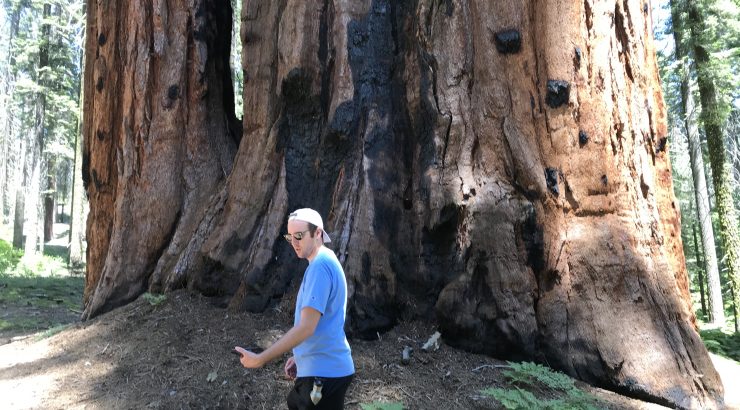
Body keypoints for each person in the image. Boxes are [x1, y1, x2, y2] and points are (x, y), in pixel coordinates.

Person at [235, 208, 355, 409]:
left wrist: (260, 359)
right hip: (323, 372)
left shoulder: (320, 266)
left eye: (299, 236)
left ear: (317, 233)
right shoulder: (324, 262)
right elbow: (322, 325)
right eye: (290, 237)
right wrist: (300, 356)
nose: (294, 242)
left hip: (323, 375)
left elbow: (307, 327)